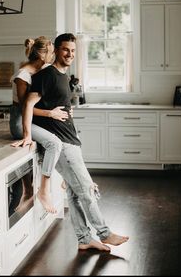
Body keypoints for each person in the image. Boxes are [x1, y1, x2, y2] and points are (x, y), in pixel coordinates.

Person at [18, 33, 129, 252]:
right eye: (66, 49)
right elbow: (28, 105)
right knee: (87, 189)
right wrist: (27, 135)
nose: (70, 54)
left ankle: (84, 238)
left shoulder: (64, 77)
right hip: (61, 142)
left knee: (75, 193)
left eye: (73, 50)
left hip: (70, 140)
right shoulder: (47, 75)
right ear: (57, 50)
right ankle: (104, 233)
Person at [10, 36, 68, 213]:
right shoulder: (23, 76)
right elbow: (24, 107)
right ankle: (39, 190)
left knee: (65, 135)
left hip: (35, 120)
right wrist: (51, 113)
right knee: (54, 143)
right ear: (43, 55)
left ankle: (67, 175)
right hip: (20, 122)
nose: (54, 56)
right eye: (51, 53)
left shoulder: (43, 70)